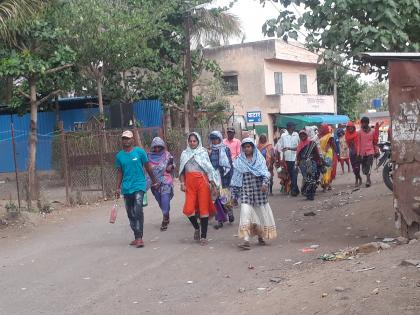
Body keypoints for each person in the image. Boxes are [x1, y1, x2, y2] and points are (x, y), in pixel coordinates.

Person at [231, 138, 277, 250]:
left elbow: (265, 173)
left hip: (259, 193)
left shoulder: (259, 159)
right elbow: (236, 180)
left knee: (260, 215)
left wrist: (265, 184)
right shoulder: (239, 161)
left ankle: (261, 236)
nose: (247, 149)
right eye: (245, 147)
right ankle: (246, 240)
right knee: (245, 214)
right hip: (246, 193)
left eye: (249, 146)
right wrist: (234, 196)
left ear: (252, 147)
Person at [115, 130, 159, 248]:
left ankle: (139, 238)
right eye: (124, 138)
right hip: (126, 188)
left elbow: (148, 167)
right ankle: (136, 236)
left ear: (133, 140)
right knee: (130, 213)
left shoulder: (140, 152)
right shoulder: (119, 156)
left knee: (138, 209)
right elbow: (119, 172)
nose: (126, 140)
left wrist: (154, 181)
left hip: (139, 185)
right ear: (122, 140)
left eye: (128, 138)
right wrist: (117, 188)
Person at [179, 132, 220, 245]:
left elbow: (209, 169)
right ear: (188, 141)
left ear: (198, 142)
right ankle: (197, 227)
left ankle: (203, 236)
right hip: (190, 184)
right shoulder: (184, 154)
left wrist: (213, 184)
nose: (192, 143)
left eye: (194, 141)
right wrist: (182, 183)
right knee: (188, 209)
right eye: (190, 141)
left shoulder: (203, 152)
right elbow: (182, 171)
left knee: (203, 209)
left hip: (203, 182)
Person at [147, 137, 175, 231]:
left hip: (165, 181)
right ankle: (166, 213)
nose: (157, 149)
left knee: (165, 199)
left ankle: (165, 219)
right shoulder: (148, 157)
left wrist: (170, 167)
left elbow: (172, 166)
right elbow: (146, 170)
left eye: (159, 147)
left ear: (162, 146)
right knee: (160, 201)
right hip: (154, 183)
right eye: (155, 147)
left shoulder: (167, 155)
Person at [209, 130, 234, 229]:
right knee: (216, 199)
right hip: (214, 177)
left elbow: (229, 163)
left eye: (216, 139)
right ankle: (220, 220)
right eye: (213, 139)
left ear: (219, 139)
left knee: (225, 196)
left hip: (224, 176)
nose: (214, 141)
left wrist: (231, 176)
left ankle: (230, 212)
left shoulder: (226, 149)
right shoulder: (209, 151)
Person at [296, 129, 324, 200]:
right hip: (303, 164)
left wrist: (319, 161)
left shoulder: (312, 143)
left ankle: (311, 194)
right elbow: (298, 156)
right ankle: (308, 193)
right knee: (306, 178)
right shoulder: (300, 145)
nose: (302, 136)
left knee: (312, 178)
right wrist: (297, 163)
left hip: (311, 163)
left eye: (303, 135)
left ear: (306, 135)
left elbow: (316, 153)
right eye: (301, 135)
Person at [275, 122, 300, 196]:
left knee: (294, 174)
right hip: (287, 158)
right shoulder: (283, 136)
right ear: (289, 127)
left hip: (295, 158)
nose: (294, 127)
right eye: (293, 126)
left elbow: (299, 146)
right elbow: (281, 148)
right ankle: (295, 189)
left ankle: (294, 190)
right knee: (290, 175)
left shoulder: (296, 135)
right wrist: (282, 159)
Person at [358, 117, 380, 187]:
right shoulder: (359, 132)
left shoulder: (372, 131)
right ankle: (367, 177)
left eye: (365, 122)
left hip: (371, 151)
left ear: (368, 123)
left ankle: (368, 180)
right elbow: (358, 143)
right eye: (363, 122)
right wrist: (358, 154)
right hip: (362, 153)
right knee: (364, 168)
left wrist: (376, 151)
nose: (364, 124)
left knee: (369, 166)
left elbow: (374, 142)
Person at [318, 124, 336, 192]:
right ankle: (327, 185)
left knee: (327, 169)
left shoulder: (329, 136)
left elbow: (332, 145)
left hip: (328, 153)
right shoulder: (319, 136)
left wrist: (335, 154)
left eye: (322, 128)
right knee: (323, 169)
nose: (320, 129)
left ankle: (326, 185)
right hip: (321, 153)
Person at [345, 121, 362, 186]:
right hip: (351, 153)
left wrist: (358, 153)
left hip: (357, 152)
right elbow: (348, 144)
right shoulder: (346, 135)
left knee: (357, 167)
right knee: (354, 168)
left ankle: (357, 179)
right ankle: (358, 177)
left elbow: (358, 144)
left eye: (351, 127)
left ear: (353, 127)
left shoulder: (356, 134)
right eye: (348, 127)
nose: (350, 129)